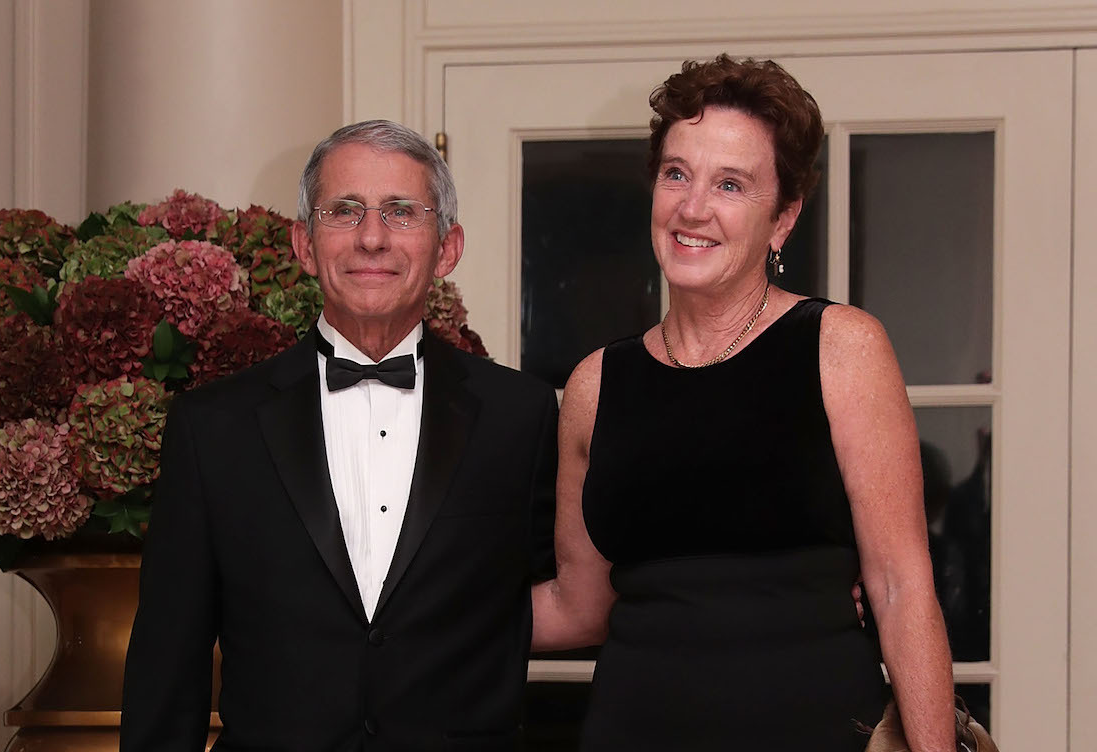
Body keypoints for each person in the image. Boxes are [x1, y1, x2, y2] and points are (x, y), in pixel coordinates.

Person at [530, 55, 957, 751]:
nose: (692, 208)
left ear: (783, 218)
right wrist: (407, 609)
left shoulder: (841, 348)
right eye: (677, 174)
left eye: (731, 184)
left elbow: (902, 587)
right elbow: (578, 608)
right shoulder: (594, 385)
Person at [121, 120, 558, 751]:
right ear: (304, 243)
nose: (372, 237)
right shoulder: (213, 427)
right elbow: (168, 660)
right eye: (344, 211)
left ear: (449, 246)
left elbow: (551, 601)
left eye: (402, 212)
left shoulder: (521, 414)